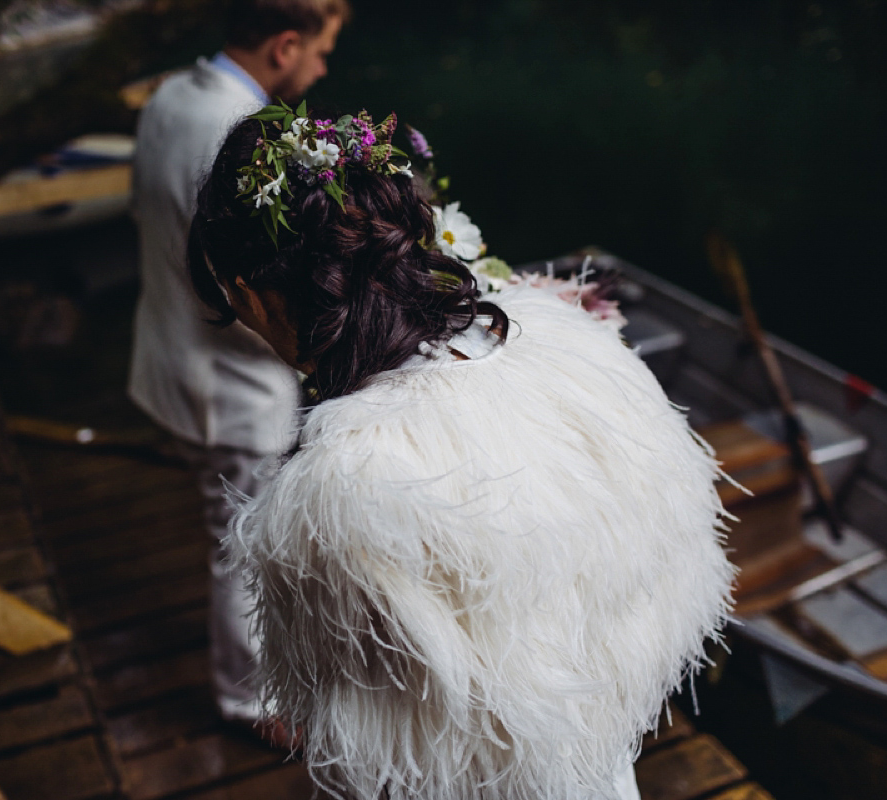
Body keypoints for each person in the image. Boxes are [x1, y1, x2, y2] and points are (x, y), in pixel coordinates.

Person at [186, 111, 736, 799]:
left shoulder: (343, 488)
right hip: (594, 768)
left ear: (249, 293)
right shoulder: (568, 348)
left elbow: (372, 731)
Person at [128, 0, 349, 726]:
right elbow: (253, 292)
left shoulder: (169, 95)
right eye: (321, 51)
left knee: (229, 530)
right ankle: (249, 700)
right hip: (232, 389)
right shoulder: (245, 142)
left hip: (167, 355)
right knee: (245, 552)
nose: (323, 68)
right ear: (285, 46)